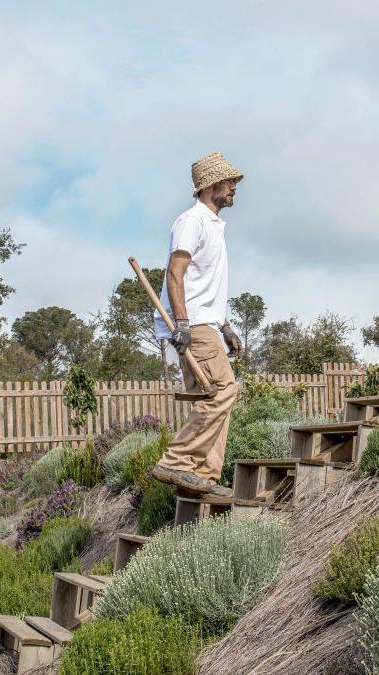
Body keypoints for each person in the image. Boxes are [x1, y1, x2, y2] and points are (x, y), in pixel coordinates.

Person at [149, 152, 244, 497]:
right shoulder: (192, 221)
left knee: (217, 396)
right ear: (209, 186)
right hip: (194, 325)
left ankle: (201, 478)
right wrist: (183, 325)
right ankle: (176, 461)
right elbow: (176, 273)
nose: (234, 187)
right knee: (223, 392)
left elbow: (206, 287)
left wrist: (226, 324)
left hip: (207, 323)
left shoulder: (214, 225)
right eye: (229, 182)